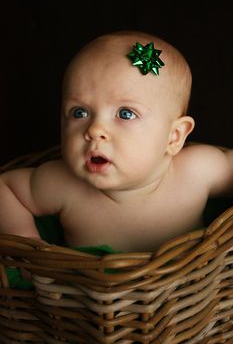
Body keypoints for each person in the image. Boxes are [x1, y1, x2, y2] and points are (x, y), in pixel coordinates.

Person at [0, 30, 232, 252]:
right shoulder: (62, 184)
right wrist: (24, 236)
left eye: (126, 114)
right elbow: (5, 186)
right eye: (79, 112)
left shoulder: (196, 171)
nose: (95, 130)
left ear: (174, 137)